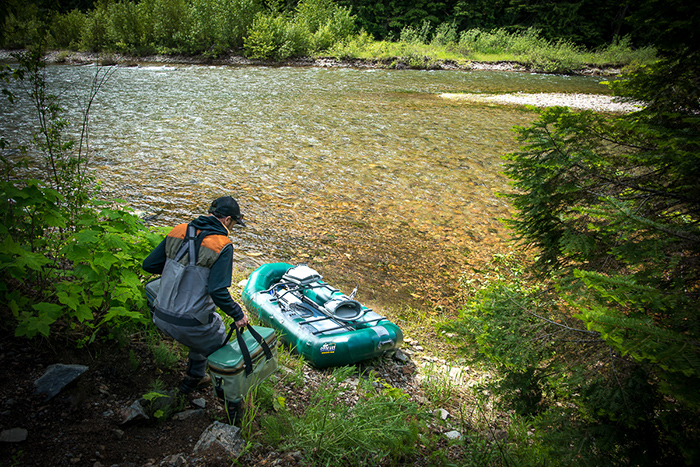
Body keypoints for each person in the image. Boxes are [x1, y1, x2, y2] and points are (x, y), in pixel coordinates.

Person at [142, 196, 249, 398]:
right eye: (234, 223)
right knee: (216, 339)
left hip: (160, 315)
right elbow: (218, 291)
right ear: (227, 220)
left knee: (202, 328)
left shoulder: (178, 230)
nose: (232, 227)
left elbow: (149, 266)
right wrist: (237, 314)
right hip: (188, 324)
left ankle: (196, 377)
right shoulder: (222, 245)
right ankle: (232, 400)